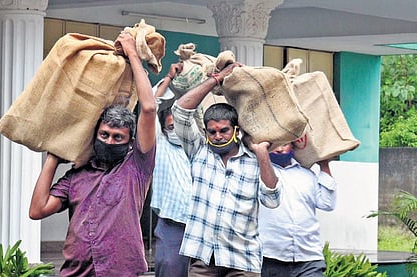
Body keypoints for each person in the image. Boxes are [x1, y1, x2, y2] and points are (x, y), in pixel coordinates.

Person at [28, 33, 157, 277]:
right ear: (95, 135)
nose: (109, 141)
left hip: (121, 271)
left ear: (130, 142)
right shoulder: (76, 176)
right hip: (76, 271)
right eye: (105, 135)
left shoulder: (137, 167)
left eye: (117, 137)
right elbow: (37, 210)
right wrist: (53, 159)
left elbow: (148, 108)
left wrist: (131, 53)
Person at [171, 62, 282, 276]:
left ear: (236, 130)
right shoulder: (198, 151)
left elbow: (272, 200)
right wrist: (217, 79)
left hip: (242, 260)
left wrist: (262, 154)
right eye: (212, 132)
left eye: (223, 130)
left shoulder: (253, 160)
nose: (218, 136)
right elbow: (181, 110)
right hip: (203, 257)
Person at [259, 143, 337, 277]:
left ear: (294, 146)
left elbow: (327, 203)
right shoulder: (258, 174)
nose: (279, 149)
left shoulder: (308, 175)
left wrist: (324, 164)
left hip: (308, 257)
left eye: (284, 144)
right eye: (275, 145)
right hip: (270, 257)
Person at [151, 62, 193, 277]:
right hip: (172, 224)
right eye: (170, 126)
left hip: (201, 225)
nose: (175, 130)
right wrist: (168, 78)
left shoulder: (198, 147)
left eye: (179, 125)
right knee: (170, 269)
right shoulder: (161, 145)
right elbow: (152, 105)